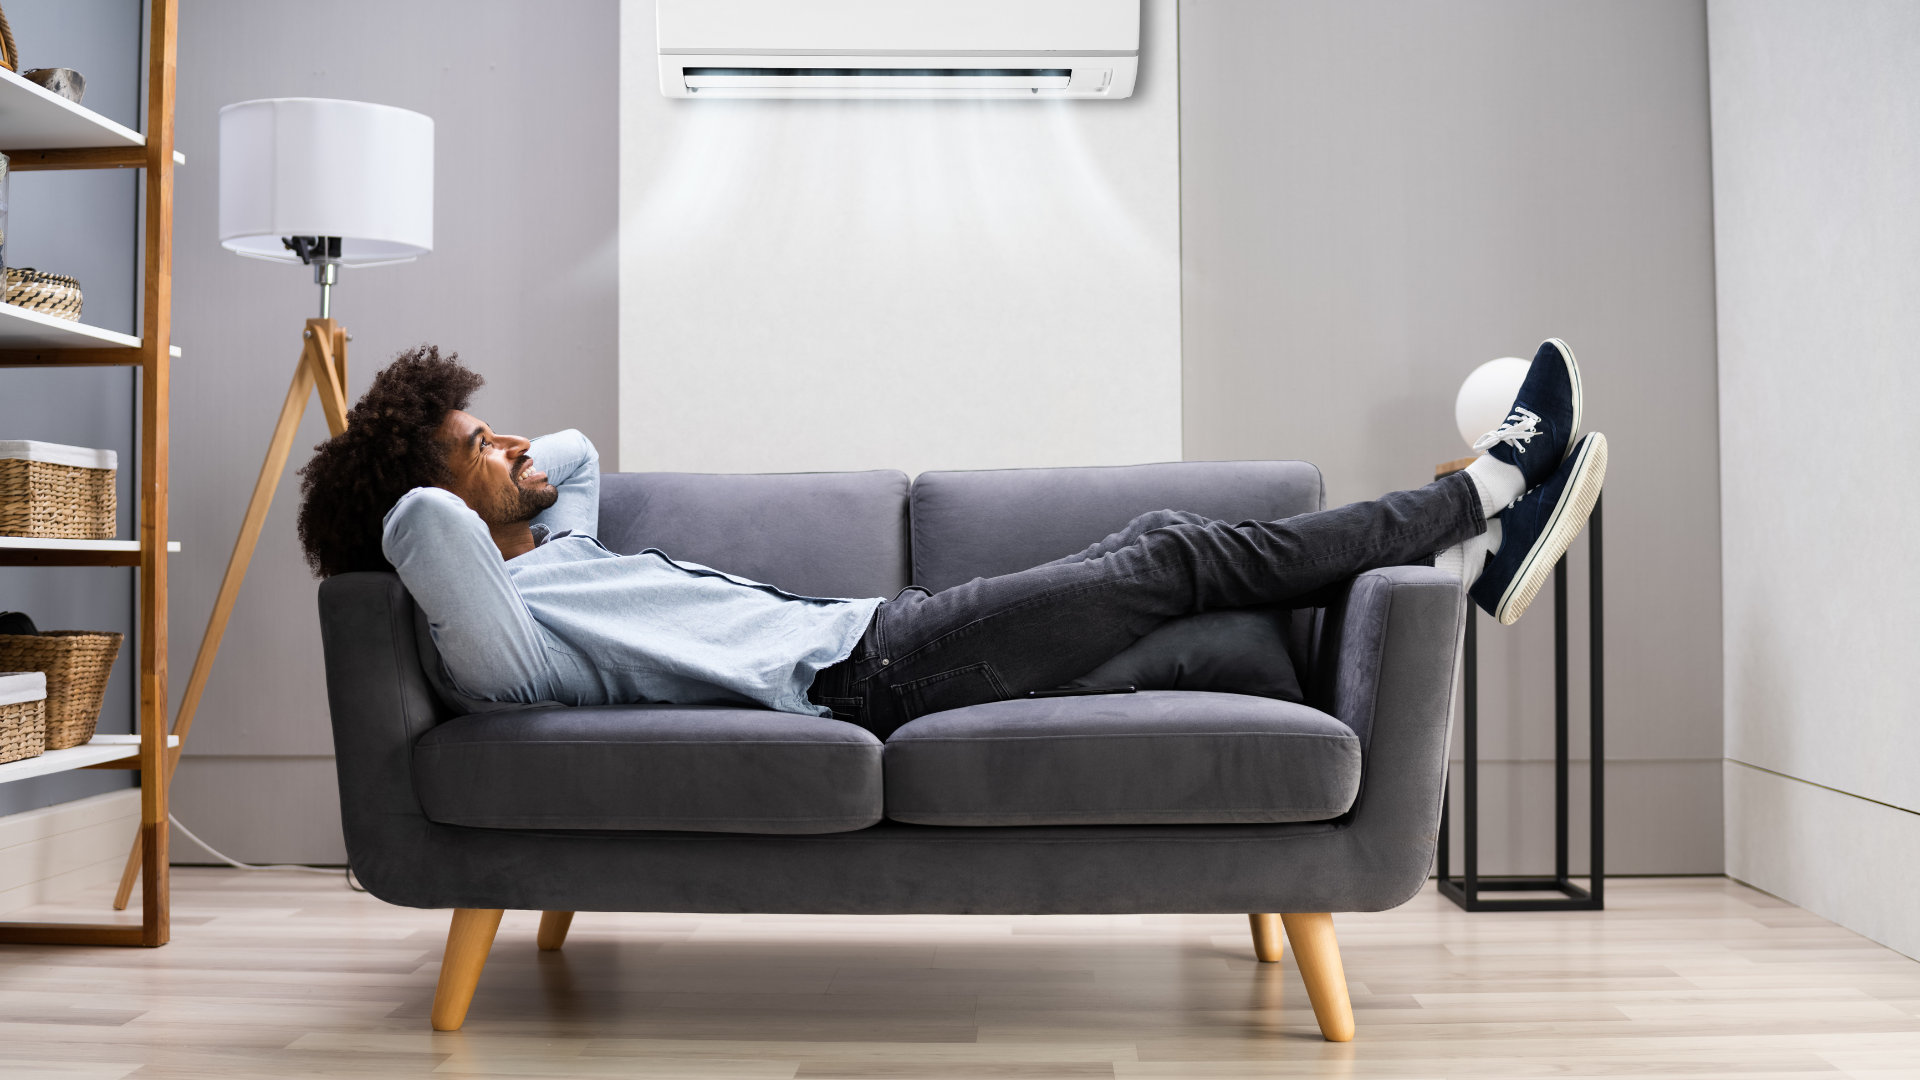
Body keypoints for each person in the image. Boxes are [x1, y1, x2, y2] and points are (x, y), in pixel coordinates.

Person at [297, 342, 1606, 740]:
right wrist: (410, 468)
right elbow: (413, 523)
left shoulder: (552, 552)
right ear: (443, 506)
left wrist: (474, 453)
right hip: (869, 675)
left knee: (1208, 620)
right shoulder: (509, 640)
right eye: (482, 445)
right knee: (1164, 556)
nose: (518, 445)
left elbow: (569, 458)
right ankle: (1488, 490)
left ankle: (1460, 558)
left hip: (882, 645)